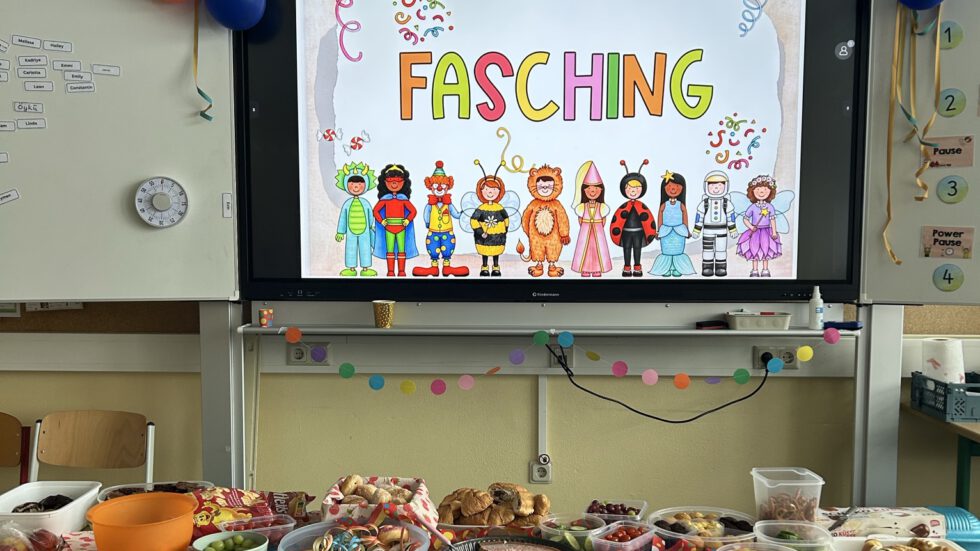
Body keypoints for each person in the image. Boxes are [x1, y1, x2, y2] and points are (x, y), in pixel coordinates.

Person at [609, 159, 657, 277]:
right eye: (629, 188)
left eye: (637, 188)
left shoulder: (641, 206)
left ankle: (637, 268)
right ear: (624, 189)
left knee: (637, 248)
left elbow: (648, 220)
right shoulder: (624, 206)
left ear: (642, 189)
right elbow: (617, 221)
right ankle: (626, 267)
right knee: (626, 249)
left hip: (639, 232)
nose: (633, 191)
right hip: (625, 232)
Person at [372, 164, 419, 277]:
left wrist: (407, 220)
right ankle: (391, 271)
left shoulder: (403, 199)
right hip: (389, 227)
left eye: (398, 181)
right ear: (385, 182)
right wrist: (382, 221)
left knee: (402, 250)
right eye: (390, 181)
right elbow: (375, 211)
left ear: (403, 182)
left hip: (401, 227)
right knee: (390, 250)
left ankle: (402, 271)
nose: (394, 184)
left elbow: (413, 211)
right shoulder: (385, 199)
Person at [570, 161, 613, 277]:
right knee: (585, 250)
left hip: (598, 233)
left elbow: (603, 220)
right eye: (588, 188)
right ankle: (585, 269)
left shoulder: (602, 207)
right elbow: (580, 219)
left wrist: (597, 227)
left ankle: (597, 269)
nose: (592, 191)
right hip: (585, 233)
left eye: (596, 188)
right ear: (584, 190)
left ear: (601, 190)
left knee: (598, 250)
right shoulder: (581, 207)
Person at [692, 170, 739, 277]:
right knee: (707, 250)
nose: (716, 188)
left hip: (722, 231)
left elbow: (731, 218)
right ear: (706, 187)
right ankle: (707, 267)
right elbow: (699, 218)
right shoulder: (704, 203)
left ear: (726, 186)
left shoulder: (727, 203)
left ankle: (721, 267)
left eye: (720, 186)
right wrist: (696, 230)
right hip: (707, 232)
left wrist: (733, 229)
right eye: (712, 186)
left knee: (721, 250)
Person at [649, 171, 695, 277]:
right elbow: (660, 217)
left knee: (678, 250)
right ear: (664, 188)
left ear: (682, 188)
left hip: (679, 232)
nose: (673, 189)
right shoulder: (664, 205)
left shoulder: (681, 205)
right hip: (666, 232)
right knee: (667, 251)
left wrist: (686, 229)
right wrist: (658, 230)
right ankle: (667, 268)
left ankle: (676, 267)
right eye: (669, 186)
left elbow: (685, 217)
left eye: (677, 186)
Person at [737, 174, 782, 277]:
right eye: (758, 189)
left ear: (770, 192)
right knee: (755, 250)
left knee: (766, 249)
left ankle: (765, 270)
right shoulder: (752, 207)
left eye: (765, 189)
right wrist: (751, 227)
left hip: (766, 232)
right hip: (755, 232)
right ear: (752, 192)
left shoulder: (770, 207)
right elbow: (745, 218)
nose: (761, 192)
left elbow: (772, 219)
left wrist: (774, 232)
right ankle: (755, 270)